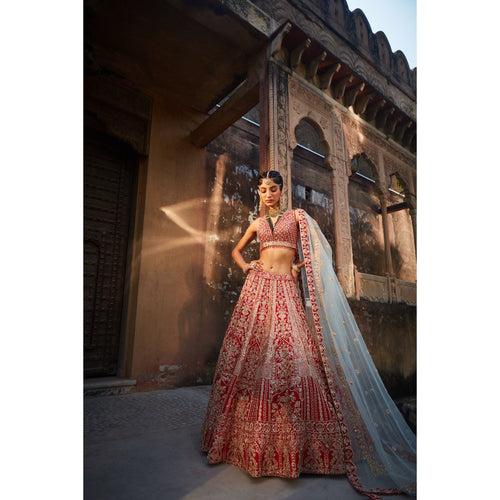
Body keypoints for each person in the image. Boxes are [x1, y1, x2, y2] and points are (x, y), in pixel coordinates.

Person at [201, 170, 416, 499]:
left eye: (272, 188)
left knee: (295, 360)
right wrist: (247, 266)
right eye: (262, 190)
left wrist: (300, 268)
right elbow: (236, 251)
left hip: (285, 289)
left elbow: (317, 251)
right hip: (257, 290)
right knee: (250, 357)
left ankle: (303, 443)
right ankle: (243, 441)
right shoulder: (257, 224)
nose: (267, 194)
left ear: (282, 190)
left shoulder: (296, 217)